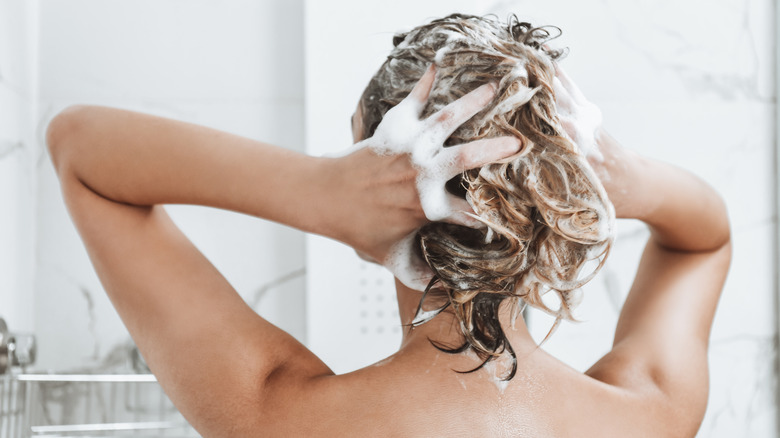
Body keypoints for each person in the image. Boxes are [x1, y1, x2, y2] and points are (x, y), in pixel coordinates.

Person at [46, 13, 730, 438]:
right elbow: (704, 240)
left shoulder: (275, 416)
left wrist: (314, 190)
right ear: (552, 205)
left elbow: (82, 149)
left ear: (365, 172)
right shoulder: (650, 415)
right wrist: (616, 176)